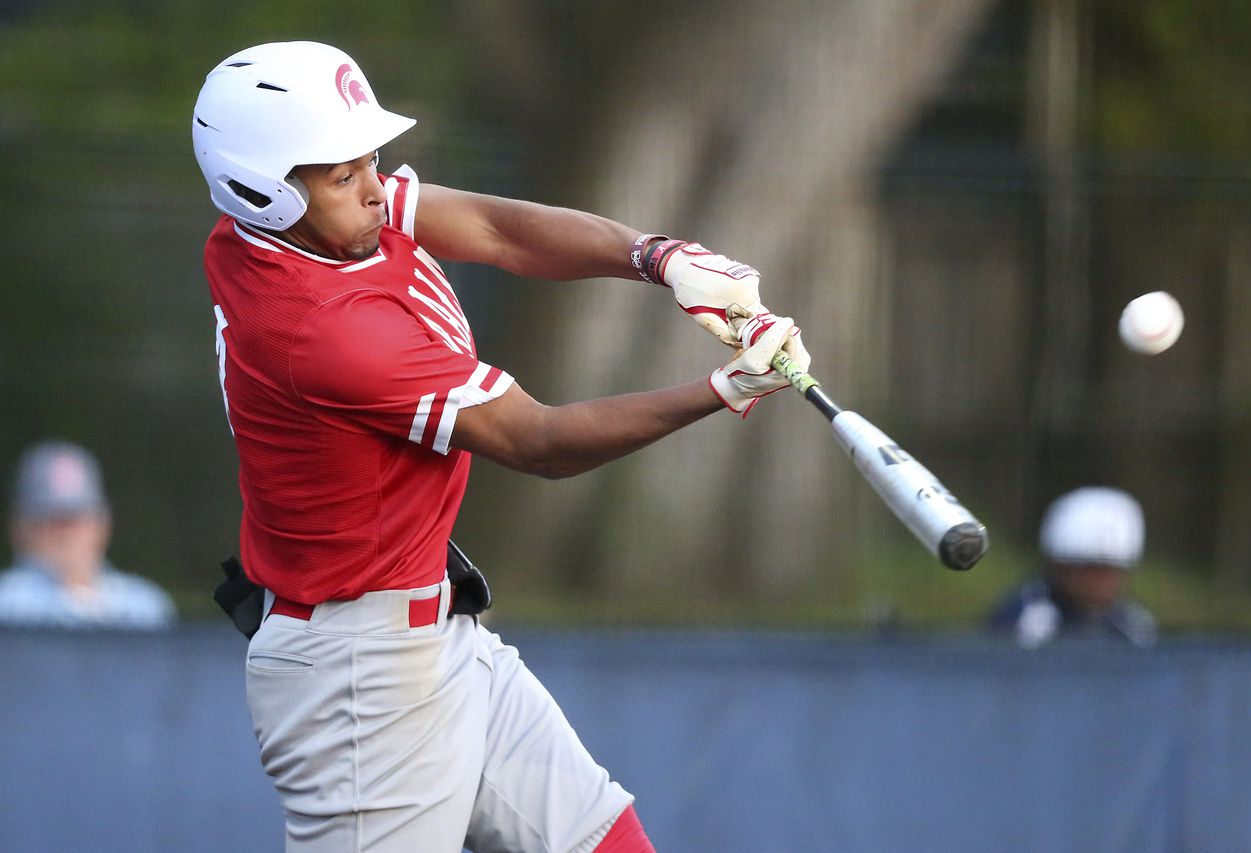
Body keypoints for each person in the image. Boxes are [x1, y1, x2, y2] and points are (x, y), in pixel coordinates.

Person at [193, 41, 809, 852]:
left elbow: (495, 229)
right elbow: (539, 439)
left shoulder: (326, 227)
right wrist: (720, 391)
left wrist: (657, 258)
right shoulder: (322, 332)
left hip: (435, 633)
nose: (379, 188)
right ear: (264, 193)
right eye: (344, 175)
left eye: (370, 159)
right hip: (357, 681)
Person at [0, 440, 176, 630]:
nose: (66, 533)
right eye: (50, 520)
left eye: (76, 518)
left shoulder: (144, 604)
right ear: (19, 528)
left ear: (103, 524)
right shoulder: (8, 603)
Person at [989, 486, 1157, 648]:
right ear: (1060, 566)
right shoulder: (1024, 624)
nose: (1100, 583)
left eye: (1110, 571)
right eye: (1090, 569)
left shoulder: (1132, 627)